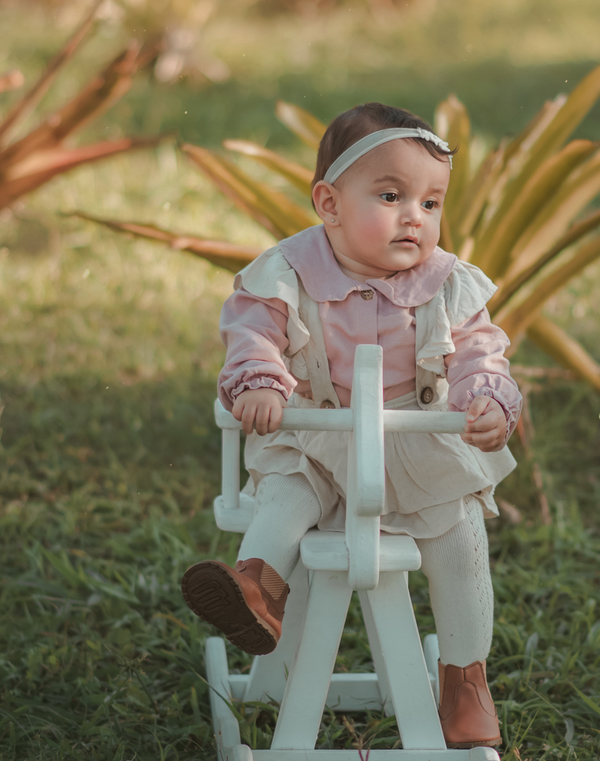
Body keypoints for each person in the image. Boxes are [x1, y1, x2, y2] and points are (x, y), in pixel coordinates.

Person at [181, 102, 522, 749]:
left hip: (413, 442)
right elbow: (251, 333)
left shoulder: (446, 283)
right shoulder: (286, 272)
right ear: (329, 203)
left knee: (461, 537)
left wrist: (486, 397)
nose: (414, 217)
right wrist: (259, 382)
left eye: (430, 202)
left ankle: (464, 676)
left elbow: (480, 350)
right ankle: (258, 586)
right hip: (319, 434)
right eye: (391, 196)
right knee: (288, 489)